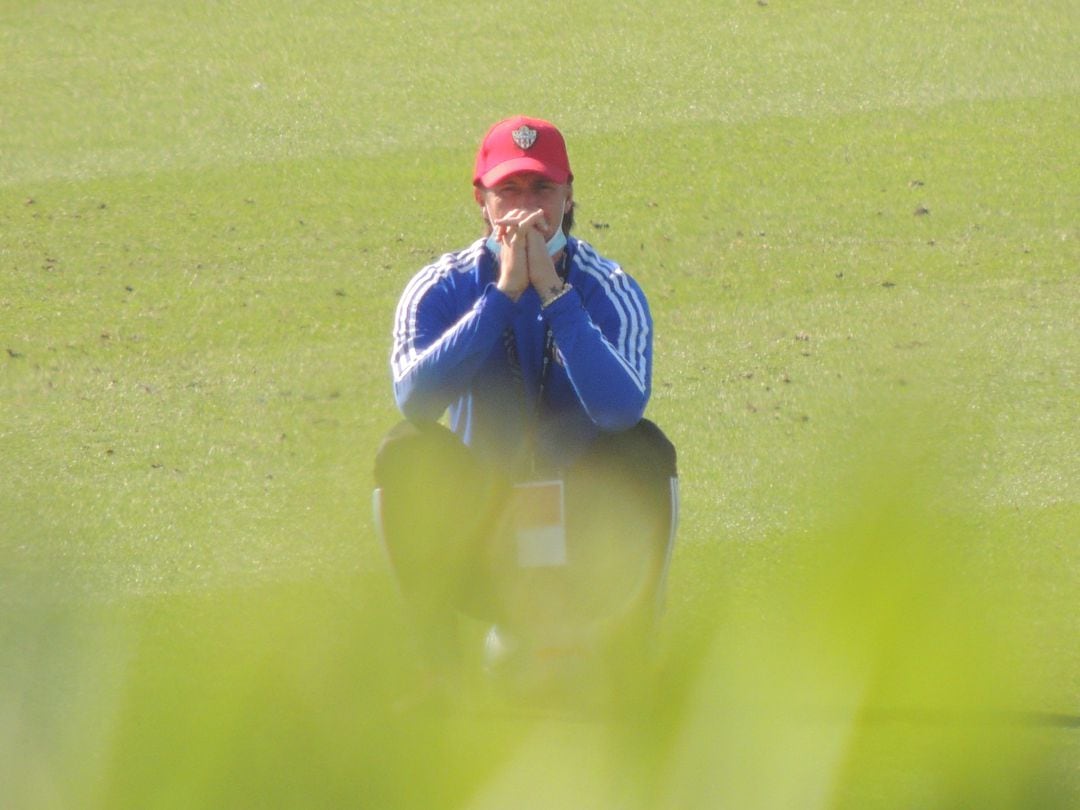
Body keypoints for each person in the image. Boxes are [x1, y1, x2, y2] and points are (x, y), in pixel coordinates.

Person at [374, 116, 678, 696]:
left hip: (589, 529)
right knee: (406, 450)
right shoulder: (441, 287)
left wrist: (556, 298)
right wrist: (502, 298)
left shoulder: (609, 287)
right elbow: (415, 402)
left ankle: (631, 662)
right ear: (480, 200)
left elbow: (620, 413)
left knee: (645, 448)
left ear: (568, 197)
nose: (526, 206)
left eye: (542, 189)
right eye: (508, 190)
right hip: (479, 528)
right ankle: (439, 670)